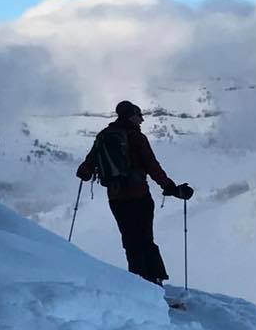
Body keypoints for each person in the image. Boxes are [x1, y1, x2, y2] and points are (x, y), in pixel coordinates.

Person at [75, 100, 190, 285]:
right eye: (139, 115)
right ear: (131, 115)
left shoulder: (103, 136)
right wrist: (170, 187)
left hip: (116, 198)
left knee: (130, 241)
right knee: (145, 239)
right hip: (139, 196)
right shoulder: (136, 137)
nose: (142, 120)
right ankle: (153, 282)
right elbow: (152, 166)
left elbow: (87, 166)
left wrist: (84, 173)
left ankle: (137, 283)